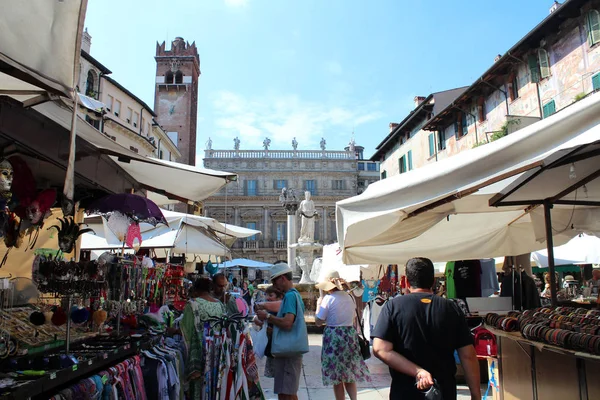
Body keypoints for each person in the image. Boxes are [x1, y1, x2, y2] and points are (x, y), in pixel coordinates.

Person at [372, 257, 481, 400]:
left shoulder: (393, 307)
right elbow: (468, 356)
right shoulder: (451, 308)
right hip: (444, 392)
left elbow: (380, 349)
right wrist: (476, 395)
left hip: (404, 393)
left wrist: (418, 371)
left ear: (406, 281)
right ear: (433, 281)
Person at [315, 271, 370, 400]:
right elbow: (354, 317)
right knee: (349, 373)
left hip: (334, 336)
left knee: (337, 375)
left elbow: (318, 321)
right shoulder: (349, 297)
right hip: (349, 336)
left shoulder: (328, 299)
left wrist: (319, 304)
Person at [256, 263, 308, 400]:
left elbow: (287, 322)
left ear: (282, 278)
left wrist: (267, 316)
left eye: (274, 280)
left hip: (288, 351)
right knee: (288, 391)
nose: (274, 284)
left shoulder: (290, 296)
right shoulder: (294, 295)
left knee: (286, 393)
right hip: (289, 350)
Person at [181, 278, 226, 400]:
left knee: (198, 388)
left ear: (195, 290)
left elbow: (186, 330)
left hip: (200, 354)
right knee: (214, 384)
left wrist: (173, 331)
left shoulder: (193, 304)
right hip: (217, 353)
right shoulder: (219, 304)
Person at [253, 285, 284, 379]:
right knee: (277, 378)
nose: (267, 298)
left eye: (271, 295)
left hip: (281, 346)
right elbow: (258, 318)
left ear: (279, 297)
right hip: (271, 346)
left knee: (281, 376)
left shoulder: (282, 308)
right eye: (266, 295)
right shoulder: (269, 309)